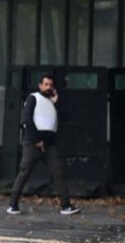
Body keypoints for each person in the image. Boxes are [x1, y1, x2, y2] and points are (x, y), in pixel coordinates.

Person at [7, 73, 80, 216]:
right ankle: (12, 204)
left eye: (51, 85)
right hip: (33, 143)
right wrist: (36, 140)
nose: (48, 87)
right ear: (40, 85)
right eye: (45, 84)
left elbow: (66, 118)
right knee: (24, 173)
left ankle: (66, 205)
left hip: (49, 144)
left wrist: (57, 101)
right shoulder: (34, 98)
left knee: (58, 172)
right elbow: (27, 120)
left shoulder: (53, 101)